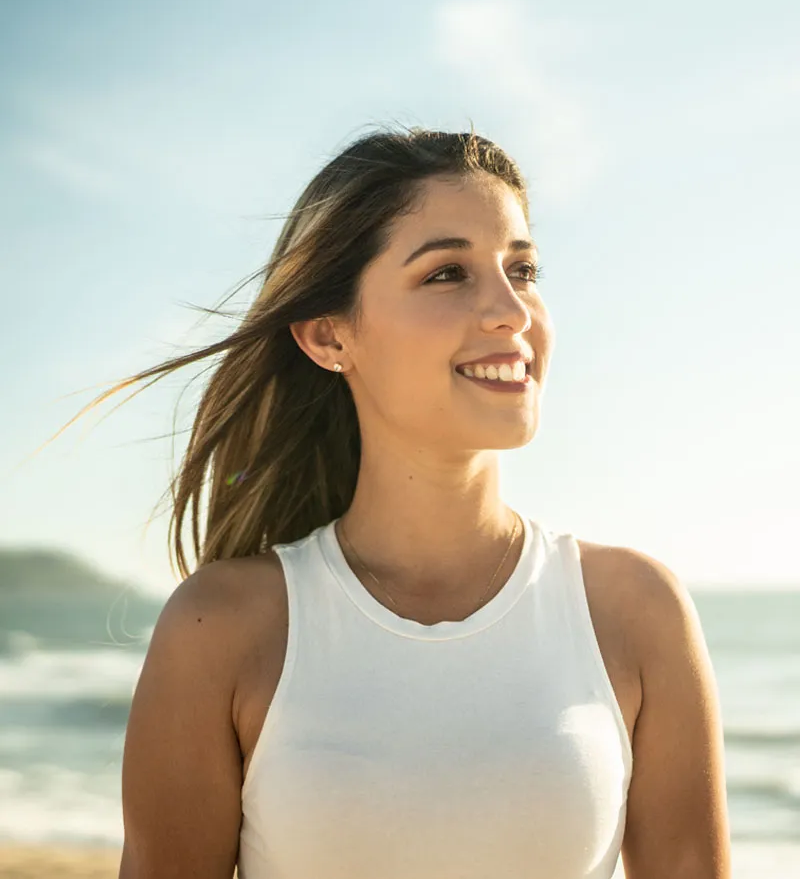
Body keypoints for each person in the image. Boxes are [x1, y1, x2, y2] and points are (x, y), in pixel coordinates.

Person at [99, 127, 729, 877]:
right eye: (447, 274)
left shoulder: (634, 609)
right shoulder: (223, 627)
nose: (511, 311)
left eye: (522, 269)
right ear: (329, 334)